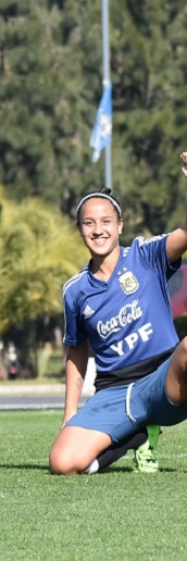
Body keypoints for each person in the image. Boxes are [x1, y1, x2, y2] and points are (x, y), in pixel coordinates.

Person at [49, 163, 187, 476]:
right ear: (80, 229)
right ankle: (134, 436)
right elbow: (76, 350)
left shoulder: (145, 255)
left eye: (106, 221)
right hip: (114, 393)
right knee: (62, 463)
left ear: (120, 225)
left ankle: (143, 425)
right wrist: (69, 413)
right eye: (89, 223)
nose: (98, 230)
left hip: (163, 381)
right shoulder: (75, 290)